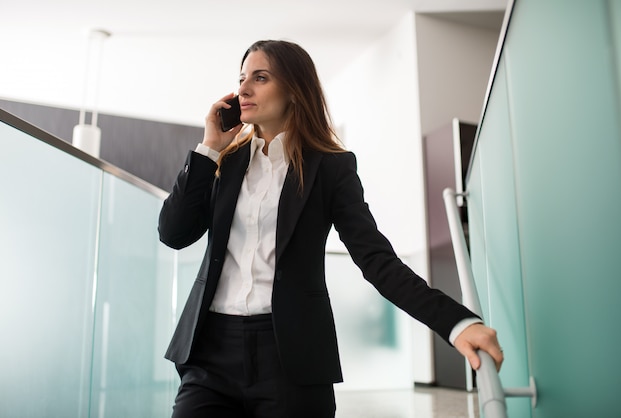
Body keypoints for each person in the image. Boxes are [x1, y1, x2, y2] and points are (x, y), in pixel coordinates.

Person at [158, 39, 504, 418]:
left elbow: (376, 260)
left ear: (294, 89)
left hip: (291, 358)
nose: (243, 88)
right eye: (242, 78)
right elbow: (173, 233)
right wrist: (209, 148)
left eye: (260, 77)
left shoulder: (330, 167)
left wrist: (455, 323)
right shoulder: (224, 162)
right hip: (210, 357)